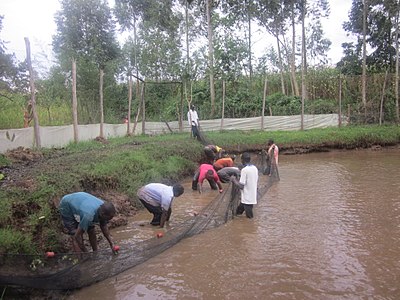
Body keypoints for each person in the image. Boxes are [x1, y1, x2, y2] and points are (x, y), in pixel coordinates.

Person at [230, 152, 258, 219]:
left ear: (242, 160)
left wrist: (234, 180)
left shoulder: (244, 170)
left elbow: (241, 186)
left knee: (250, 217)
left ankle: (250, 228)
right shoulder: (254, 168)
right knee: (238, 212)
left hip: (247, 197)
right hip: (252, 195)